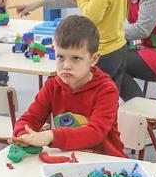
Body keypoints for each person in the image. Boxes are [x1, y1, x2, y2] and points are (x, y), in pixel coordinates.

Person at [12, 15, 125, 157]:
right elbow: (29, 120)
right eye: (60, 57)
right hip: (69, 158)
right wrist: (24, 135)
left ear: (94, 59)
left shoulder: (106, 90)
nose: (66, 66)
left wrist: (51, 136)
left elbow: (95, 133)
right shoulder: (52, 86)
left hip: (106, 160)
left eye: (76, 58)